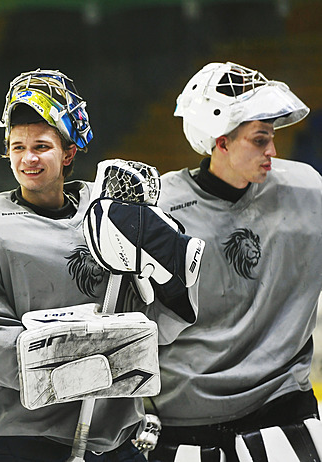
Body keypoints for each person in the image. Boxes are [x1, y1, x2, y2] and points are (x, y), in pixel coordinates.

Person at [0, 69, 201, 462]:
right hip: (7, 438)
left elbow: (157, 324)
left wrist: (176, 287)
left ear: (69, 152)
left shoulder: (113, 213)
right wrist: (95, 361)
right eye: (17, 146)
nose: (28, 158)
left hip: (110, 437)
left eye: (42, 146)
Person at [146, 62, 322, 461]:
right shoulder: (158, 210)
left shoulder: (309, 190)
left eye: (272, 137)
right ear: (221, 142)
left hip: (284, 411)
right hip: (185, 427)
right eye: (259, 140)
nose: (273, 151)